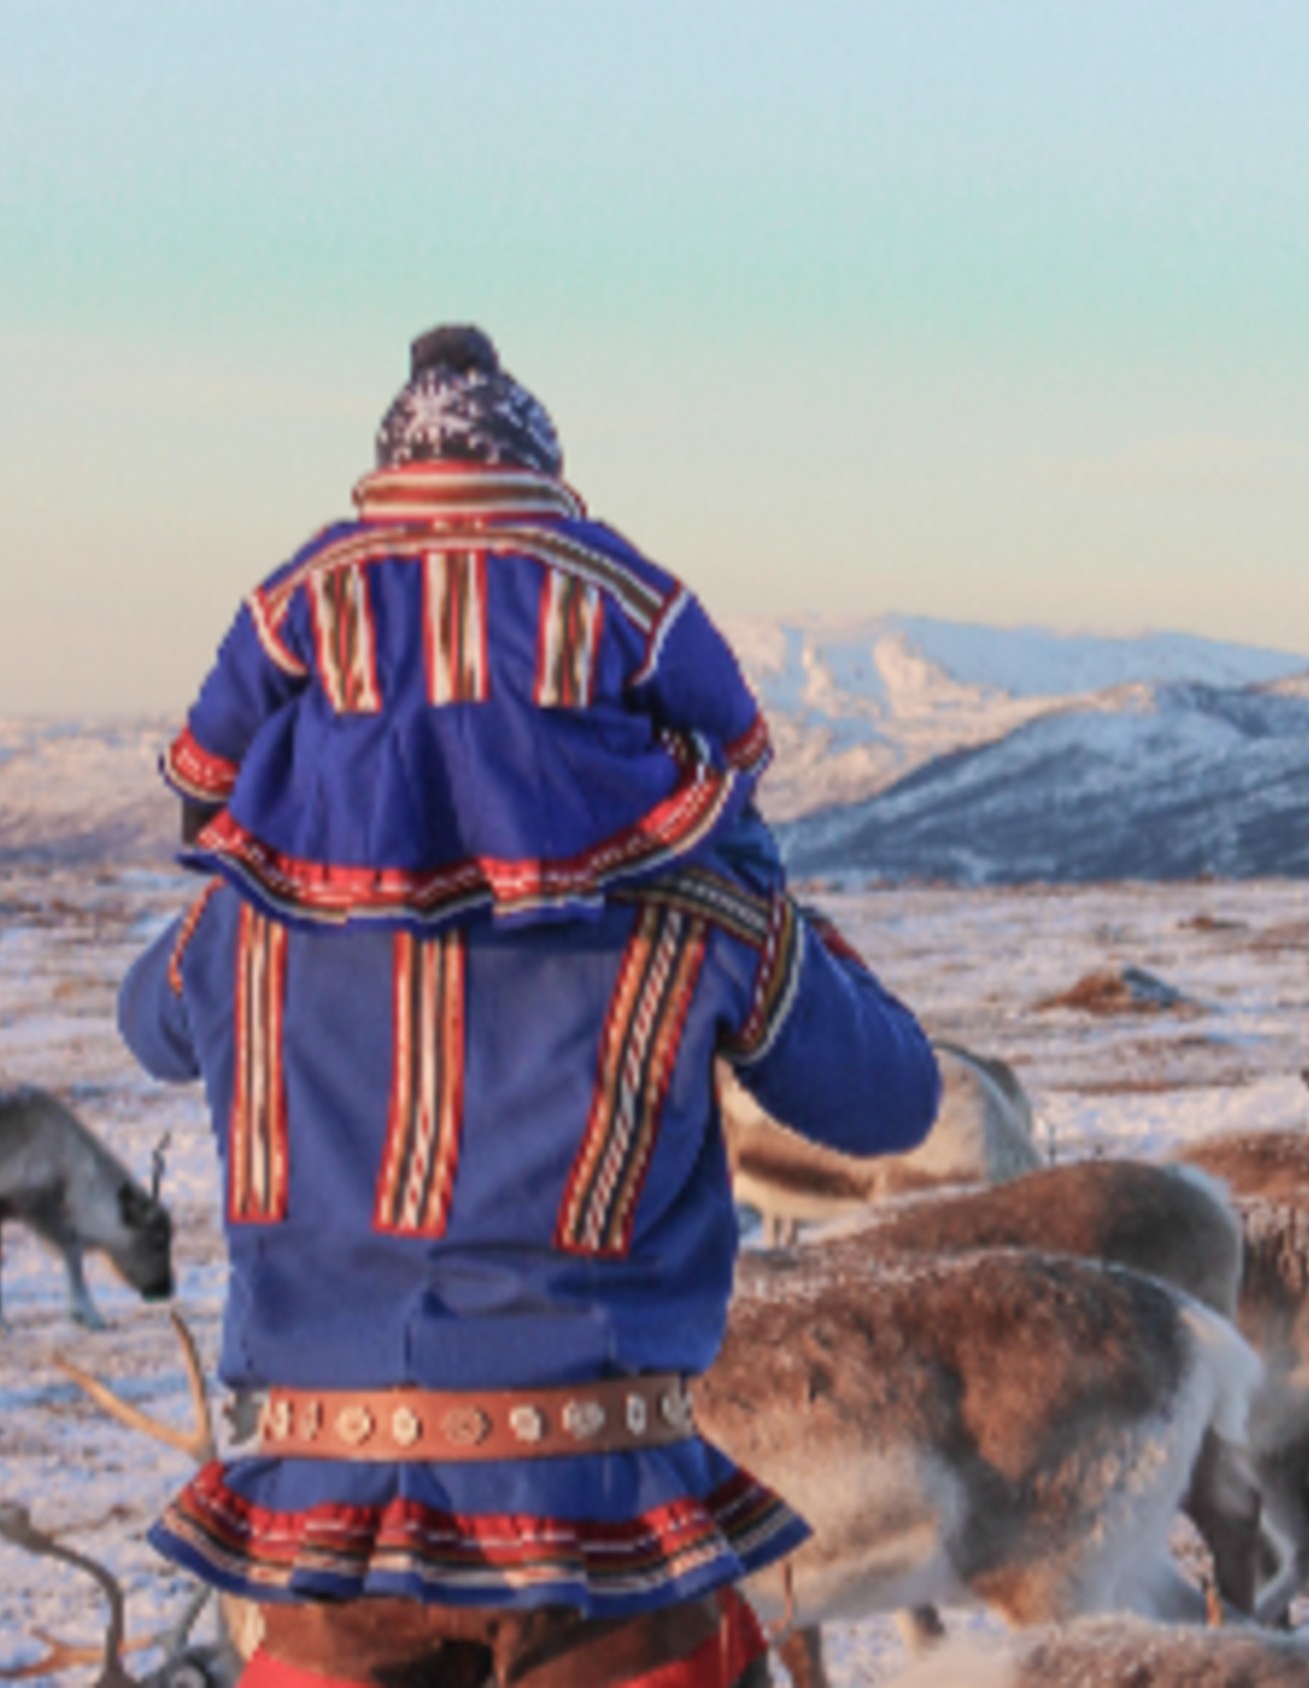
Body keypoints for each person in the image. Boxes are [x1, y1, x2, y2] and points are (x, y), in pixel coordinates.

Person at [119, 333, 942, 1688]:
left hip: (326, 1539)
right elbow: (889, 1096)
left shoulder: (239, 912)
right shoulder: (692, 895)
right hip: (604, 1527)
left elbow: (145, 1025)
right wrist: (751, 883)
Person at [159, 324, 780, 928]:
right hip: (573, 850)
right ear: (539, 463)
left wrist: (211, 815)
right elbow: (735, 729)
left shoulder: (316, 576)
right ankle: (768, 933)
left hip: (351, 855)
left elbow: (215, 739)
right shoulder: (608, 575)